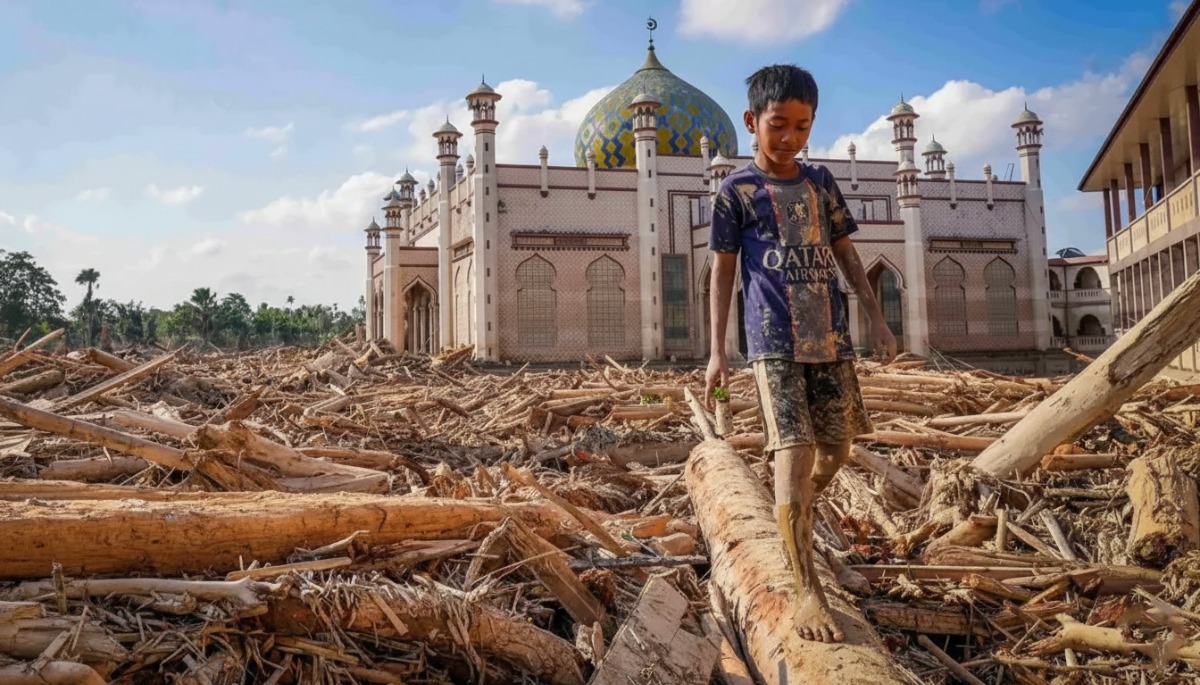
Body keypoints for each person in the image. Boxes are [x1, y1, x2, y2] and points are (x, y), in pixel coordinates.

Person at [704, 64, 897, 643]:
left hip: (830, 340)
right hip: (774, 344)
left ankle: (788, 510)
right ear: (751, 122)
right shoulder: (735, 192)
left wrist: (878, 322)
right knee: (793, 454)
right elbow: (722, 273)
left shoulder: (821, 183)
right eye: (778, 125)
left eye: (802, 126)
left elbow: (847, 256)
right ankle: (806, 591)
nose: (789, 137)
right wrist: (717, 353)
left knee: (835, 451)